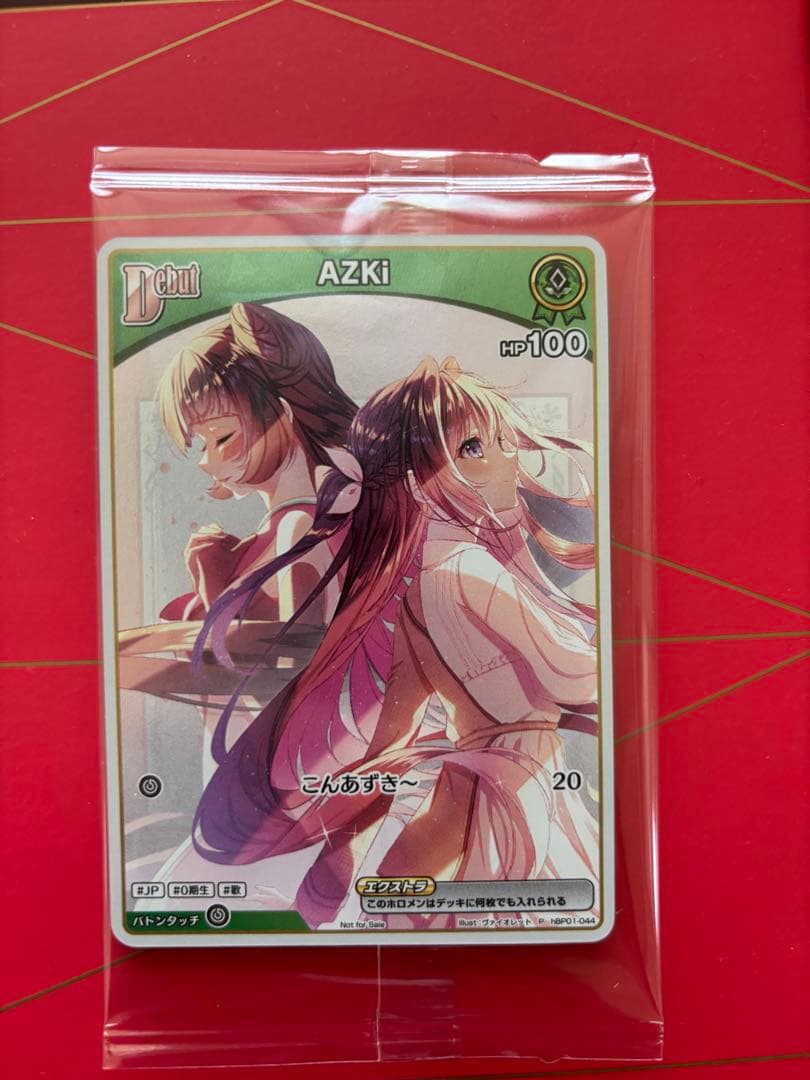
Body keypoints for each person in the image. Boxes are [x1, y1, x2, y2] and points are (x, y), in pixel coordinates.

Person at [192, 357, 601, 928]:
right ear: (418, 480)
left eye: (505, 441)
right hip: (515, 790)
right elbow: (578, 679)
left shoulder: (420, 580)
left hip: (476, 789)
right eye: (475, 448)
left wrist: (344, 816)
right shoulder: (469, 571)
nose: (509, 459)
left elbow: (391, 723)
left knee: (422, 920)